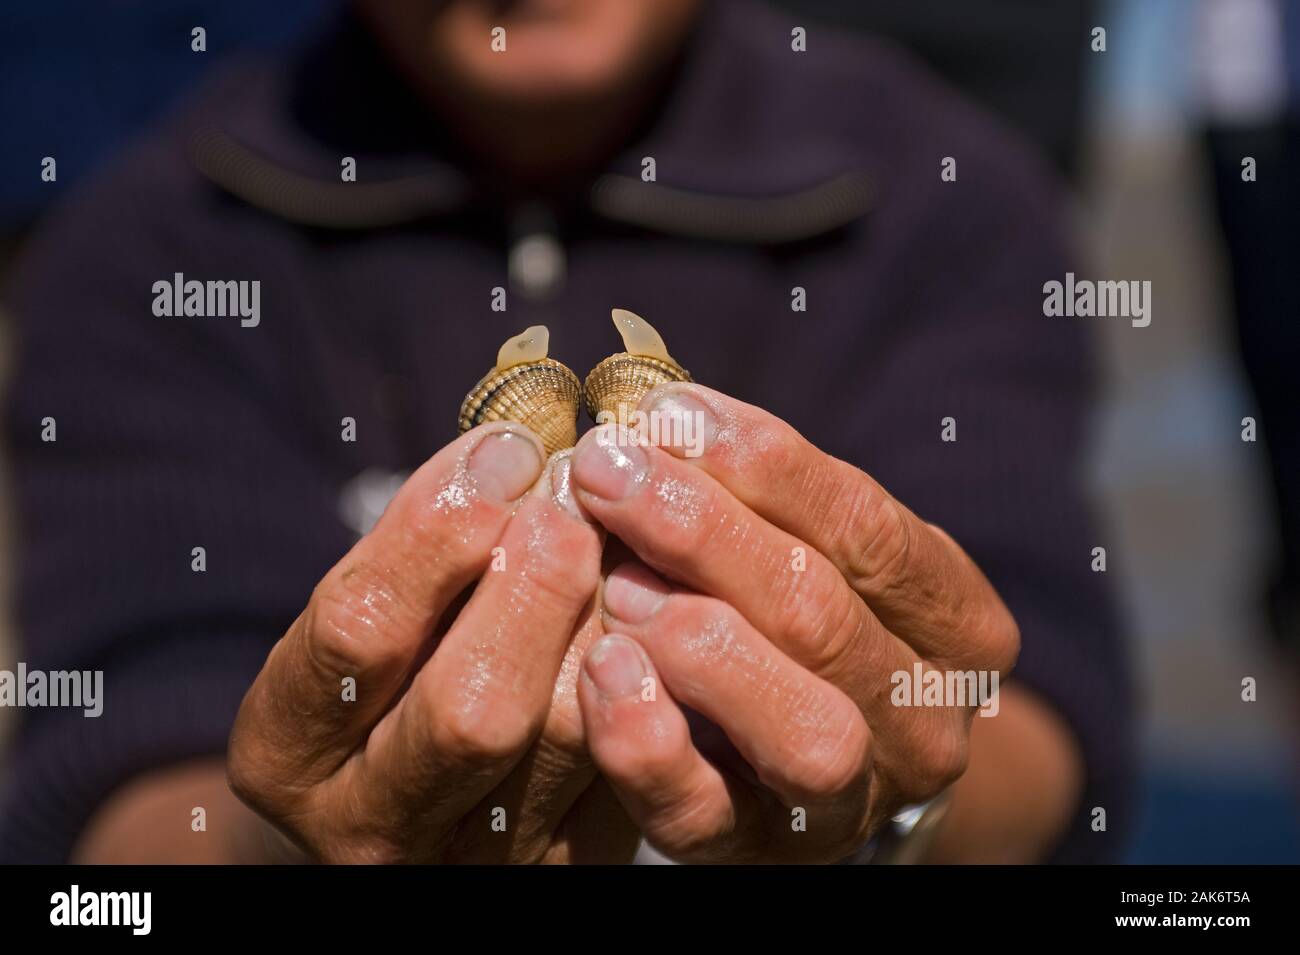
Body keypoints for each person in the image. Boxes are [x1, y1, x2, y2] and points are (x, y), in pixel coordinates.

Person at [0, 0, 1131, 863]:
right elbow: (108, 798)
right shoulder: (151, 248)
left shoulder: (947, 200)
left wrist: (901, 809)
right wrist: (292, 835)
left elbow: (1040, 712)